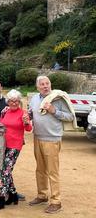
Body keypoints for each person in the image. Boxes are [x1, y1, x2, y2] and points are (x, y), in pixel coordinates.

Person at [28, 76, 75, 214]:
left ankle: (56, 201)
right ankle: (42, 195)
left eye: (47, 83)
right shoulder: (35, 99)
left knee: (52, 171)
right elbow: (32, 113)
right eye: (42, 84)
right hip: (37, 137)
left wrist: (54, 111)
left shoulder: (58, 98)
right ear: (37, 87)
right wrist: (28, 117)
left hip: (52, 139)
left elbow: (70, 116)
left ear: (50, 85)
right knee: (40, 169)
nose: (45, 86)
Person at [0, 89, 32, 210]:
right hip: (3, 145)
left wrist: (26, 123)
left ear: (19, 102)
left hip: (15, 146)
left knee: (5, 171)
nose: (14, 103)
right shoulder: (5, 112)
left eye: (16, 101)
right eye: (11, 101)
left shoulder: (23, 113)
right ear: (8, 102)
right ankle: (13, 194)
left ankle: (2, 197)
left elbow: (29, 129)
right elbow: (0, 125)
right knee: (7, 171)